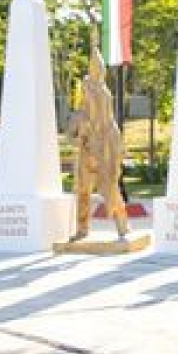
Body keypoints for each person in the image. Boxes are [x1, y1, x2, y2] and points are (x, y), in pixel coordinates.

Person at [69, 48, 129, 241]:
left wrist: (114, 153)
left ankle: (122, 223)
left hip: (102, 152)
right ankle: (82, 228)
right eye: (87, 92)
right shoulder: (78, 116)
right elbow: (69, 137)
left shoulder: (108, 119)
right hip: (86, 154)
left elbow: (116, 143)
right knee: (83, 192)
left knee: (110, 188)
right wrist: (78, 135)